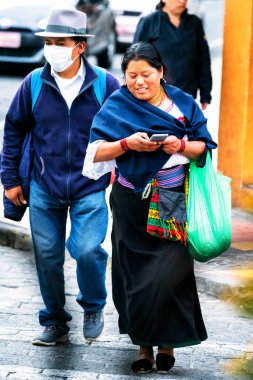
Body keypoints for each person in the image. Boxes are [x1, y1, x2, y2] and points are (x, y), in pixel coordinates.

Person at [82, 42, 217, 374]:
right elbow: (95, 153)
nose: (138, 82)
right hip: (131, 202)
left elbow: (203, 148)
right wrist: (127, 144)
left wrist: (180, 144)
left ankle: (167, 343)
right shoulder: (117, 104)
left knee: (168, 274)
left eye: (146, 74)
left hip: (172, 198)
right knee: (136, 276)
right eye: (131, 76)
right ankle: (143, 347)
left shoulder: (183, 103)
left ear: (161, 73)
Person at [0, 8, 119, 346]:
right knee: (47, 255)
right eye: (48, 42)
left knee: (87, 249)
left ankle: (93, 306)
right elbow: (13, 131)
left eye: (60, 42)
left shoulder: (105, 85)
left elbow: (122, 131)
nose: (52, 49)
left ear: (80, 46)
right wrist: (10, 180)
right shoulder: (34, 83)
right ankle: (55, 322)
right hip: (43, 186)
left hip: (89, 187)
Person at [133, 0, 212, 110]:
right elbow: (135, 61)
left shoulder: (194, 24)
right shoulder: (149, 22)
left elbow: (204, 59)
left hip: (186, 97)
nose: (182, 1)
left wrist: (205, 93)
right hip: (155, 99)